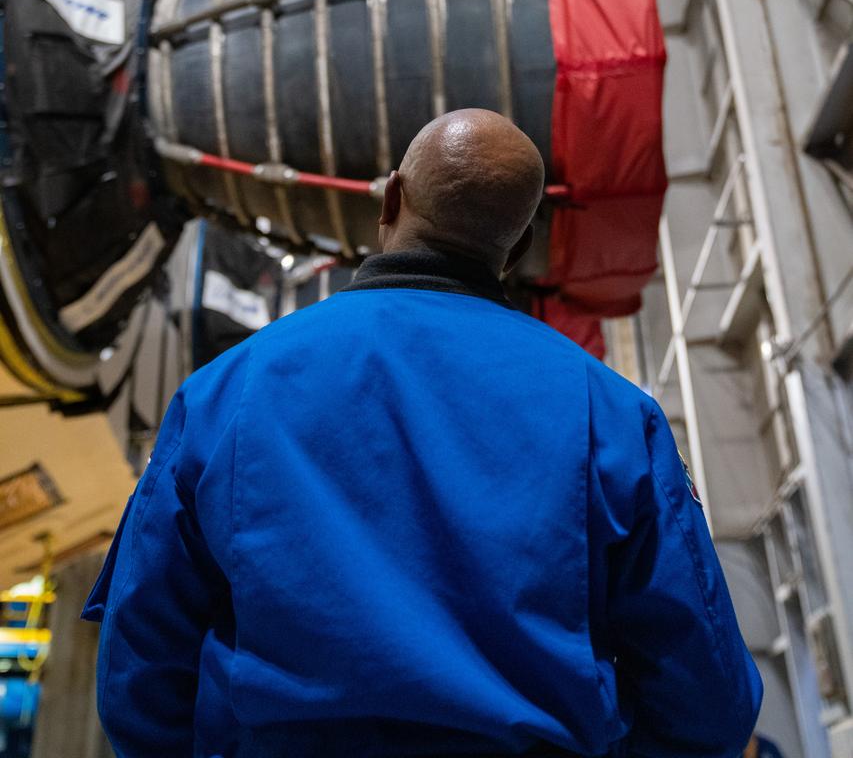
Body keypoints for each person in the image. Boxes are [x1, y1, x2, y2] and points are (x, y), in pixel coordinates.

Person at [83, 109, 762, 758]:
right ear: (518, 246)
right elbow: (707, 702)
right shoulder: (610, 414)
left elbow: (139, 658)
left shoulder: (227, 392)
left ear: (389, 201)